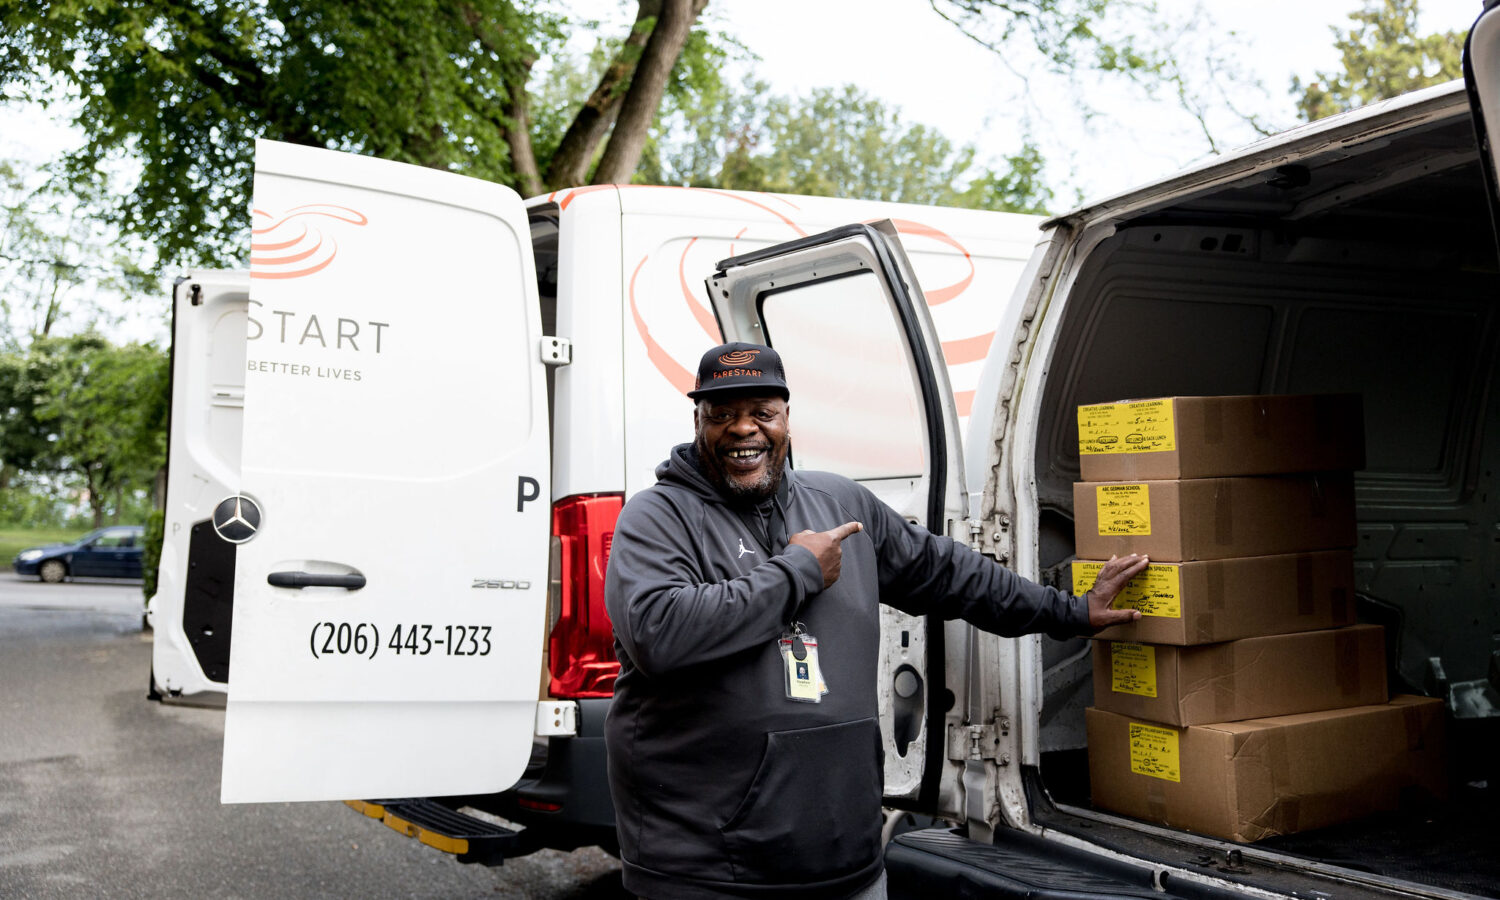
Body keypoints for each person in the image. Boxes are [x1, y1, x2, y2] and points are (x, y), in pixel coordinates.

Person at [604, 341, 1147, 900]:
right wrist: (797, 572)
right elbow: (657, 633)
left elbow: (951, 573)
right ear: (698, 420)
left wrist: (1069, 609)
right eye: (722, 415)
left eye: (761, 412)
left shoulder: (840, 503)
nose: (744, 429)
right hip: (709, 873)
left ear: (787, 417)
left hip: (848, 861)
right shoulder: (657, 517)